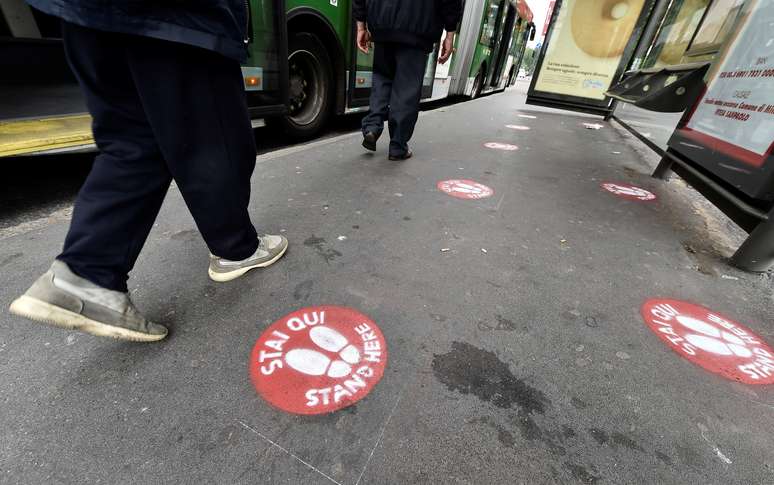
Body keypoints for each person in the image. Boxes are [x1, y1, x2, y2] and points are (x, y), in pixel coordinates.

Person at [9, 1, 288, 342]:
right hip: (174, 16)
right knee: (213, 134)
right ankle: (236, 248)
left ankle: (85, 274)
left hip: (81, 12)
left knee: (135, 141)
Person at [353, 0, 462, 160]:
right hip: (417, 26)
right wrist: (450, 33)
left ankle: (372, 127)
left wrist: (361, 25)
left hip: (383, 22)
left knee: (382, 78)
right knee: (406, 88)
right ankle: (398, 146)